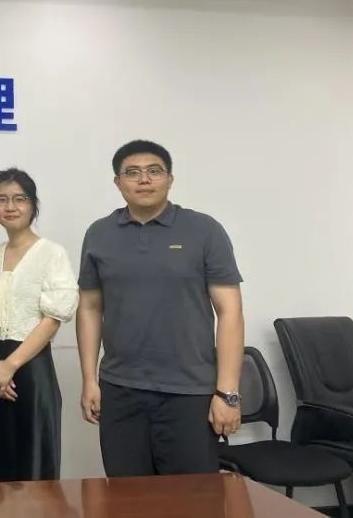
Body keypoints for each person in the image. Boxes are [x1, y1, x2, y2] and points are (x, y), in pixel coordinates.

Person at [76, 140, 244, 476]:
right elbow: (90, 308)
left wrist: (228, 393)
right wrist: (89, 380)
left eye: (154, 171)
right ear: (117, 182)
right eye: (132, 172)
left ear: (170, 178)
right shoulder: (99, 234)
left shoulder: (204, 230)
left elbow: (230, 312)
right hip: (120, 390)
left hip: (189, 392)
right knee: (127, 495)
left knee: (192, 497)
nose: (144, 179)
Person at [0, 168, 78, 482]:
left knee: (34, 463)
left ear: (33, 205)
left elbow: (52, 319)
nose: (10, 207)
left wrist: (10, 365)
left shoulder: (52, 253)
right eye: (1, 200)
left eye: (19, 199)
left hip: (31, 367)